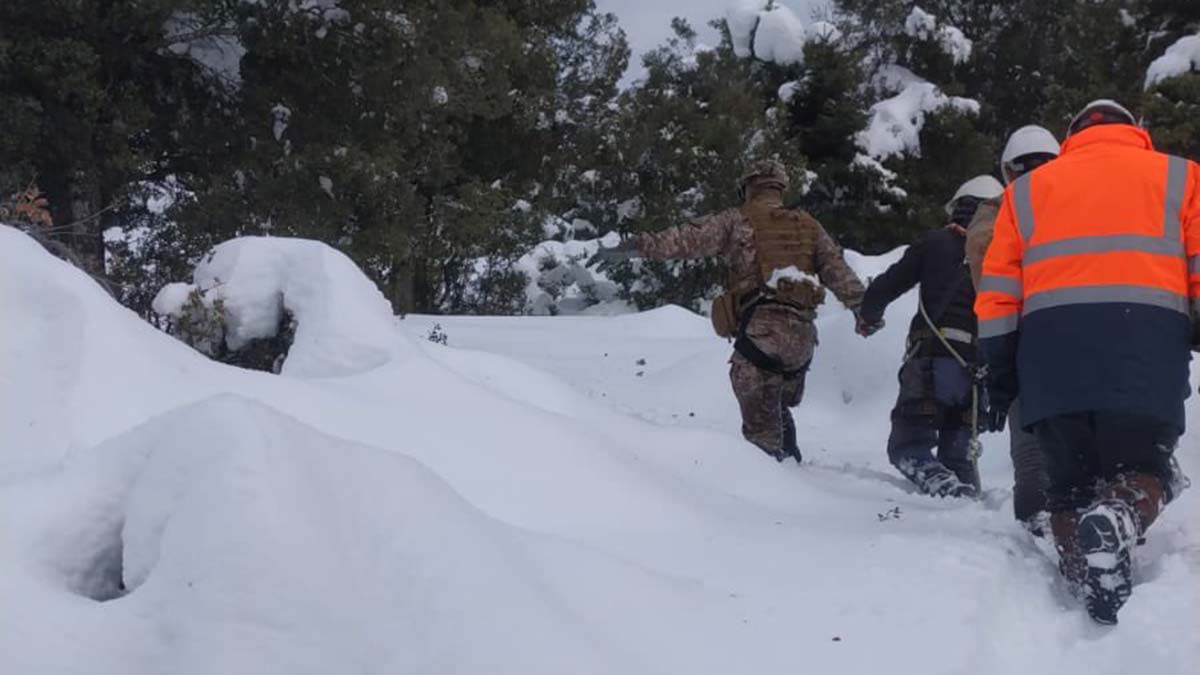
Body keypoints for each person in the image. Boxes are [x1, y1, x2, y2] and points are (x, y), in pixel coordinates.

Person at [975, 99, 1198, 624]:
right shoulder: (1181, 177)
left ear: (1071, 134)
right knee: (1149, 468)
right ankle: (1119, 517)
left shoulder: (1024, 193)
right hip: (1145, 351)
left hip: (1051, 361)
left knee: (1068, 487)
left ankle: (1089, 579)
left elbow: (998, 293)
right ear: (1136, 131)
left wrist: (1000, 371)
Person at [593, 160, 878, 463]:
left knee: (761, 436)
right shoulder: (809, 225)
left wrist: (634, 247)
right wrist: (865, 311)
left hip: (764, 333)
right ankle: (792, 463)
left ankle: (773, 485)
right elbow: (839, 273)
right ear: (780, 188)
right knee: (775, 404)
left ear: (748, 187)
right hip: (803, 341)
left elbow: (684, 239)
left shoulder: (738, 220)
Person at [858, 176, 1003, 498]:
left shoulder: (935, 242)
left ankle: (945, 490)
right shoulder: (1003, 256)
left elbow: (885, 288)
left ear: (957, 208)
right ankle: (970, 510)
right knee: (959, 458)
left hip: (932, 365)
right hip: (977, 374)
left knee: (907, 445)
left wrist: (868, 317)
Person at [966, 125, 1061, 533]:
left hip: (1022, 340)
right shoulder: (1087, 200)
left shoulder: (999, 211)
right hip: (1095, 337)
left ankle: (1038, 527)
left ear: (1008, 171)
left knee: (1031, 450)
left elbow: (985, 276)